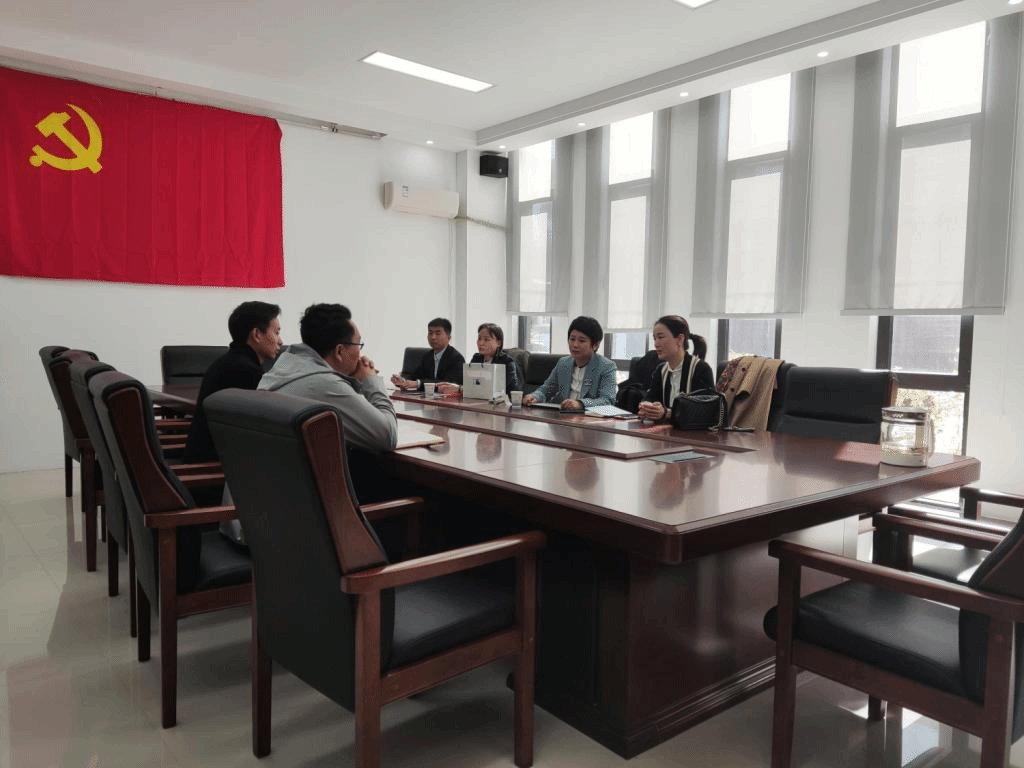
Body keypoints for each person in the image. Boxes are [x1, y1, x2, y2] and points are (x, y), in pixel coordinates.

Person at [259, 303, 397, 452]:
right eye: (358, 344)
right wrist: (370, 380)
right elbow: (388, 436)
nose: (360, 353)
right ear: (339, 351)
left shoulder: (282, 369)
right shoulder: (326, 384)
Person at [183, 301, 282, 464]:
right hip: (214, 470)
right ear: (256, 334)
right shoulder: (246, 372)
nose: (280, 341)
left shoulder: (227, 362)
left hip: (208, 460)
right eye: (276, 333)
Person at [522, 316, 617, 409]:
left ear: (595, 345)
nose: (575, 345)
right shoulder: (563, 363)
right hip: (561, 415)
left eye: (582, 341)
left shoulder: (606, 366)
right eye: (572, 339)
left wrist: (580, 404)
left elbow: (608, 400)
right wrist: (534, 396)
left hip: (588, 417)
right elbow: (547, 389)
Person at [637, 315, 715, 423]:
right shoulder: (661, 370)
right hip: (667, 431)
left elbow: (706, 411)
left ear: (679, 339)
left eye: (660, 337)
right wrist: (646, 407)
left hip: (692, 432)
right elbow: (651, 397)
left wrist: (667, 413)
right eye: (654, 339)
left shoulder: (700, 369)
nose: (656, 344)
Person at [391, 317, 465, 394]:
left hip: (448, 400)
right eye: (430, 333)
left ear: (448, 338)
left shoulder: (456, 358)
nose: (433, 337)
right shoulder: (427, 356)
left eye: (438, 333)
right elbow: (415, 376)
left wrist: (418, 384)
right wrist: (402, 380)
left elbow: (446, 384)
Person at [468, 322, 521, 394]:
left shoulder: (506, 362)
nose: (480, 343)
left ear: (498, 343)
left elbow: (497, 388)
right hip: (479, 398)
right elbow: (470, 383)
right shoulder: (476, 358)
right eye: (479, 339)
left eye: (486, 339)